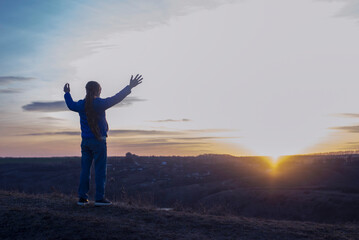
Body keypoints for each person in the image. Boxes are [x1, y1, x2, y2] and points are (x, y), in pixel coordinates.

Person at [63, 74, 143, 206]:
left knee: (85, 170)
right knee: (100, 170)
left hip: (85, 142)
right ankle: (99, 199)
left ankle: (82, 198)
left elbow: (71, 105)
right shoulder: (99, 103)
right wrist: (129, 87)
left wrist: (67, 93)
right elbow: (116, 98)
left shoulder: (81, 104)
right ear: (98, 90)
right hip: (98, 142)